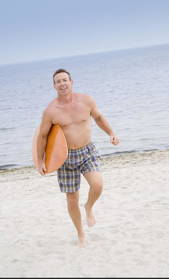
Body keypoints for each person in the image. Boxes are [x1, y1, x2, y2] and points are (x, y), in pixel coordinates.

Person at [37, 68, 119, 247]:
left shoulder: (86, 100)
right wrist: (41, 160)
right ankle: (80, 234)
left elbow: (98, 117)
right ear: (54, 86)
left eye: (65, 80)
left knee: (97, 185)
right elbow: (42, 136)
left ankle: (89, 207)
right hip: (64, 157)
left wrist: (111, 133)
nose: (62, 83)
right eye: (58, 81)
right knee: (71, 198)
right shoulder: (50, 111)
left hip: (87, 151)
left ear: (71, 82)